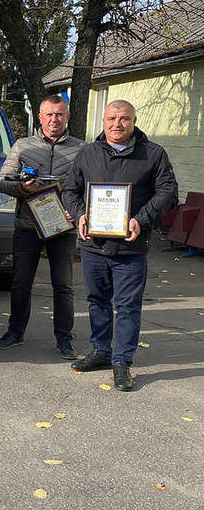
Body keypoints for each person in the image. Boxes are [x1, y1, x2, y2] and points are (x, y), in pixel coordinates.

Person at [62, 100, 177, 391]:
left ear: (134, 121)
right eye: (112, 118)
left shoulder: (153, 155)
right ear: (103, 120)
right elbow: (69, 189)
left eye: (124, 118)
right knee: (96, 301)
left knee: (127, 306)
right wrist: (80, 214)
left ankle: (122, 361)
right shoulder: (87, 153)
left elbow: (168, 192)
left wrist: (142, 218)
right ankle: (101, 351)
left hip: (130, 247)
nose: (117, 124)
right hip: (93, 246)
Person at [0, 95, 84, 358]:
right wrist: (22, 187)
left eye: (59, 114)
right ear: (40, 117)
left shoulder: (82, 149)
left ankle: (64, 338)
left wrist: (77, 211)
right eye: (49, 115)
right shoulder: (23, 146)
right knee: (21, 282)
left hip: (62, 227)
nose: (54, 119)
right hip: (27, 224)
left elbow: (89, 187)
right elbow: (2, 182)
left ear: (67, 117)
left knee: (63, 285)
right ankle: (15, 331)